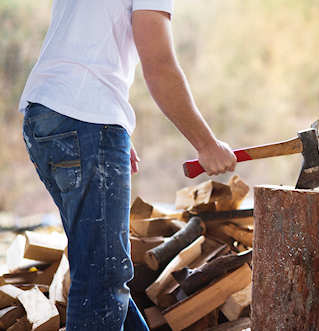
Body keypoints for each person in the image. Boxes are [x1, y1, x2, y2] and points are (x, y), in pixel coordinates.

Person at [18, 1, 237, 330]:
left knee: (98, 264)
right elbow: (159, 65)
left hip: (46, 116)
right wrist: (205, 144)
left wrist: (107, 126)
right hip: (86, 120)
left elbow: (84, 43)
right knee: (103, 275)